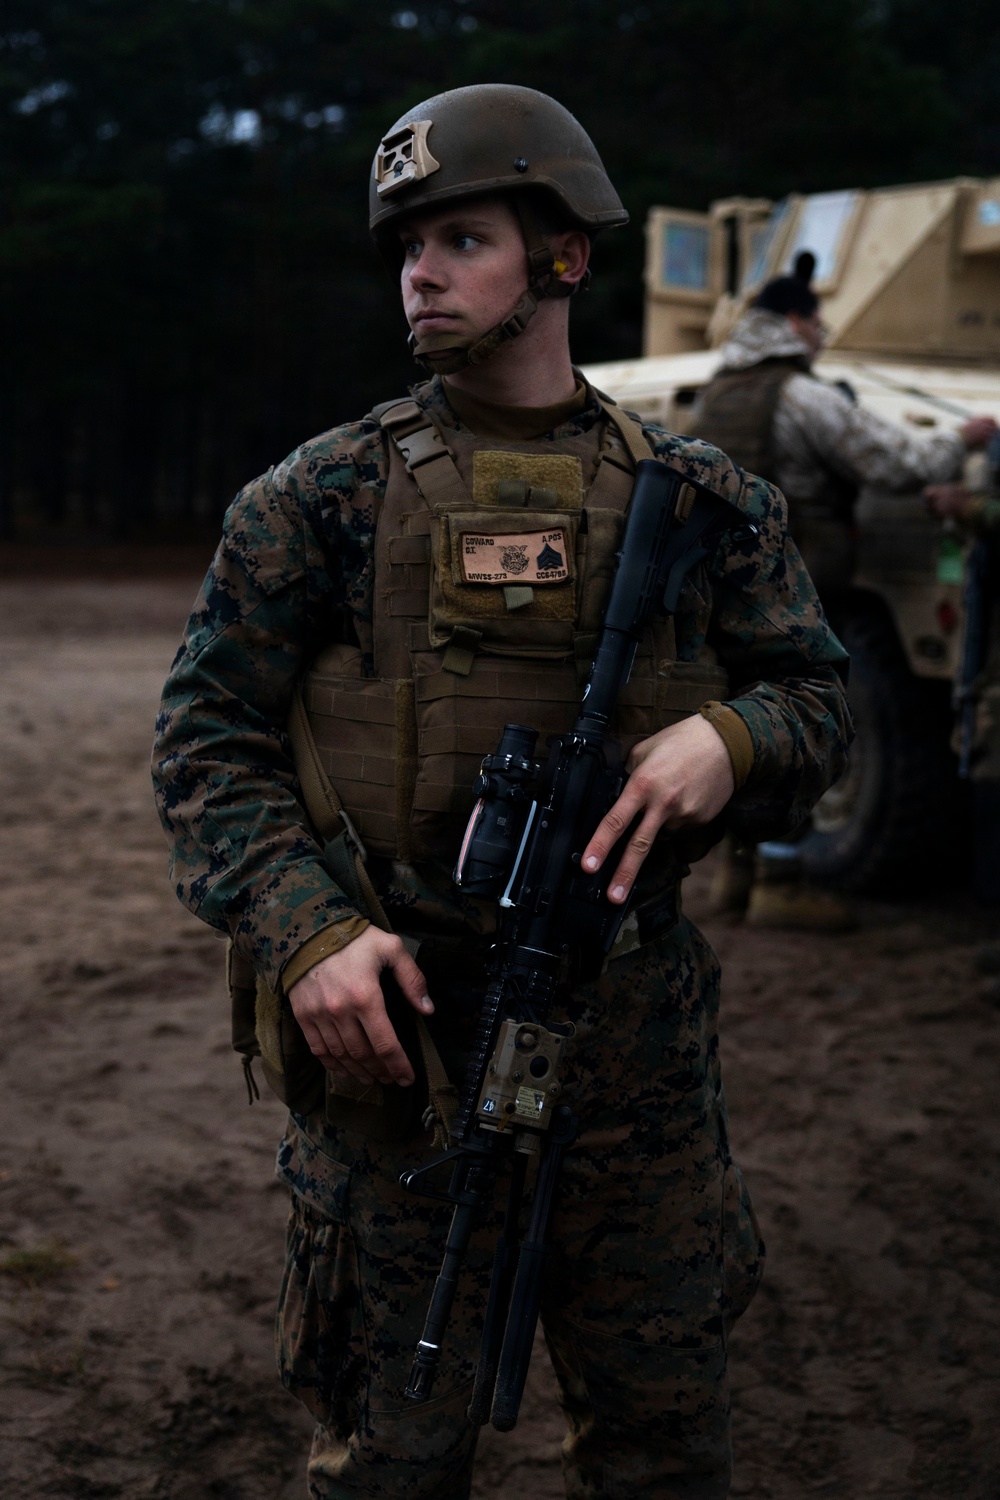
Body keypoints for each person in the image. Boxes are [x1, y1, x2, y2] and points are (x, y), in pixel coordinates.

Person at [152, 85, 853, 1499]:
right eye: (407, 244)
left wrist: (731, 732)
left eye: (463, 237)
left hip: (633, 1066)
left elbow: (823, 701)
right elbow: (204, 738)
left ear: (563, 260)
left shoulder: (710, 503)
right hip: (404, 1062)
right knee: (390, 1462)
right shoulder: (320, 500)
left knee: (665, 1449)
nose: (420, 270)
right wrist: (309, 931)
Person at [691, 258, 998, 928]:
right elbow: (894, 461)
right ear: (794, 322)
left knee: (742, 724)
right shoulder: (802, 395)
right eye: (816, 321)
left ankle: (738, 876)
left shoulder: (721, 391)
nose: (824, 333)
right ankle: (780, 881)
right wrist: (962, 440)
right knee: (797, 730)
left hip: (724, 587)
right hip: (797, 583)